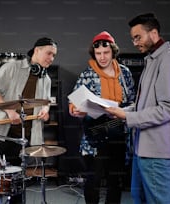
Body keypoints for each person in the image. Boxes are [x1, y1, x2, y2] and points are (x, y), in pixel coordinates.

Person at [105, 13, 170, 204]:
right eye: (133, 38)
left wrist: (127, 117)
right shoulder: (152, 60)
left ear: (153, 33)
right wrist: (121, 111)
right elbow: (145, 105)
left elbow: (166, 109)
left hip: (157, 150)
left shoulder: (169, 60)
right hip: (142, 149)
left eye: (138, 37)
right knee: (141, 198)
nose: (135, 43)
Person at [0, 37, 58, 203]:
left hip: (20, 139)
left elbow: (46, 102)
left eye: (54, 56)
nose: (51, 58)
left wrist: (45, 111)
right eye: (49, 53)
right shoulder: (12, 67)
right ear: (37, 50)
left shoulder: (47, 79)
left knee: (13, 186)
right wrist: (9, 110)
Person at [69, 31, 136, 204]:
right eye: (98, 54)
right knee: (93, 180)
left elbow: (133, 102)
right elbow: (74, 102)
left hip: (119, 132)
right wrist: (75, 109)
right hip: (95, 134)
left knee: (116, 181)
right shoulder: (88, 74)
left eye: (106, 53)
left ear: (113, 52)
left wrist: (124, 110)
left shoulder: (125, 73)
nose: (102, 57)